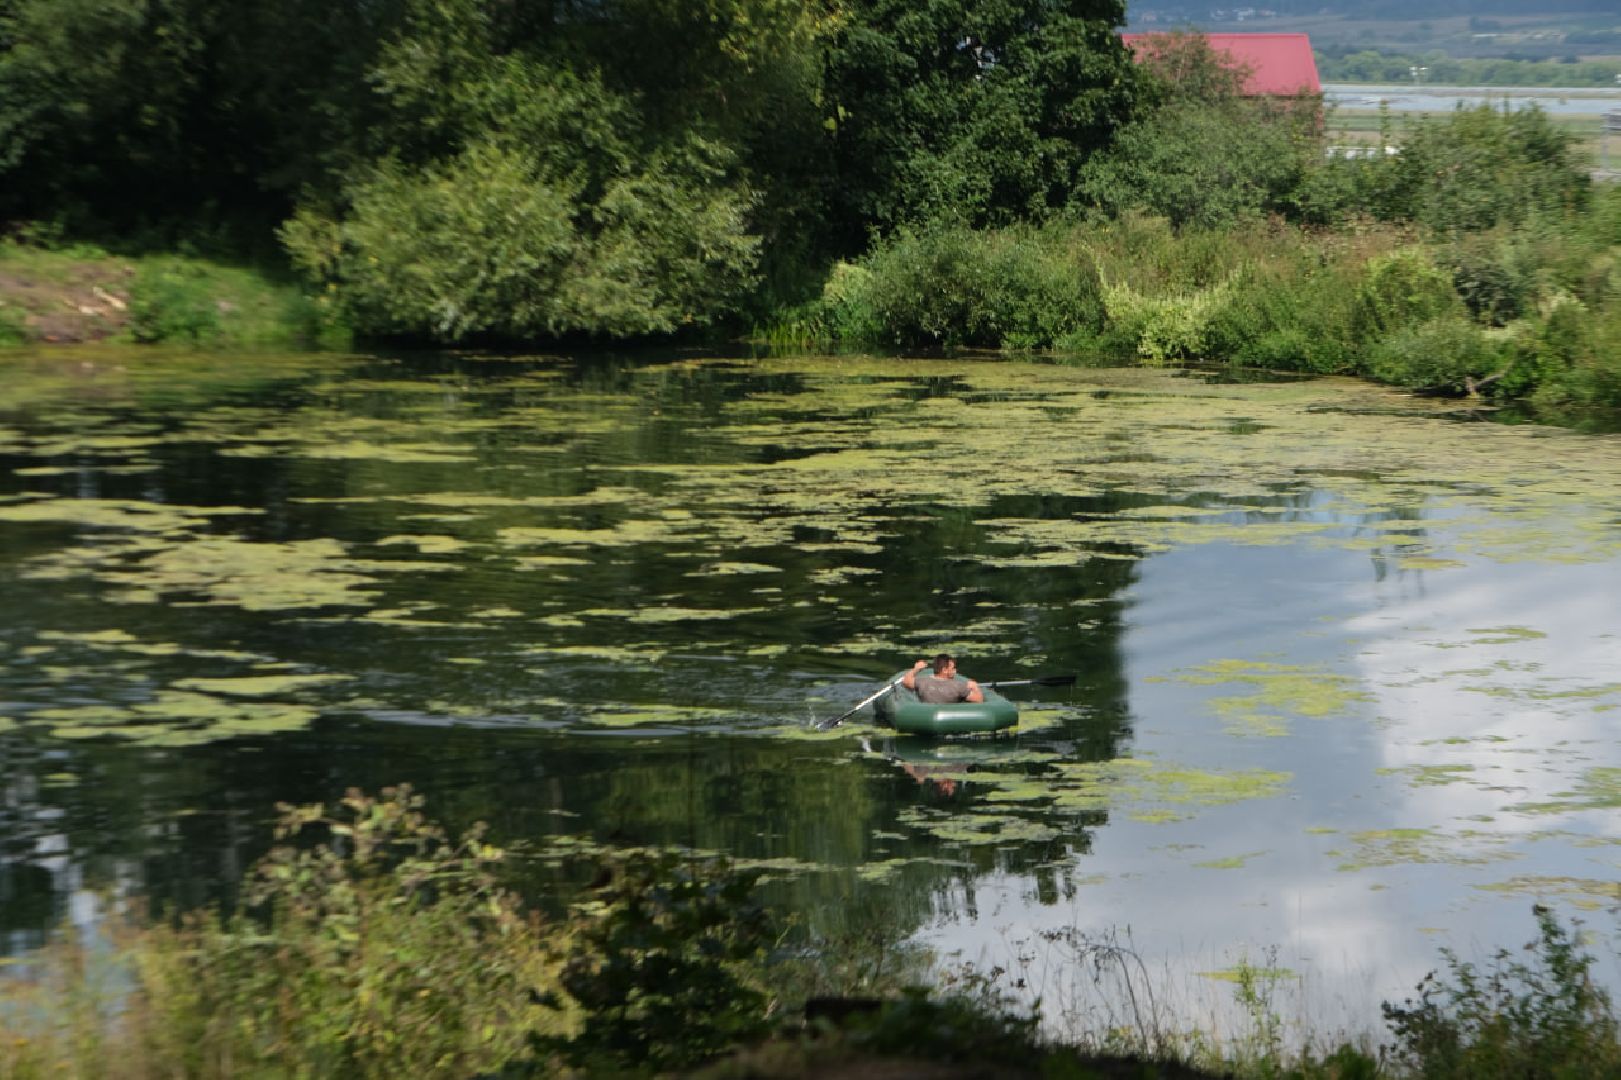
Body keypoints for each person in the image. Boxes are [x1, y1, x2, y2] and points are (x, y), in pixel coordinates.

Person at [902, 654, 983, 704]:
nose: (955, 671)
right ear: (944, 670)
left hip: (927, 717)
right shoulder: (958, 686)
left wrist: (916, 668)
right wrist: (975, 687)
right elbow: (979, 699)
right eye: (953, 668)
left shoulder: (922, 681)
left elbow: (906, 681)